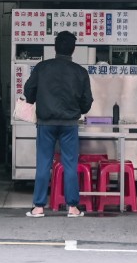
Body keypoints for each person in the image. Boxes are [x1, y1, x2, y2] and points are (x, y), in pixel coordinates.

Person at [23, 30, 93, 218]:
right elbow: (87, 101)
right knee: (70, 164)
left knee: (44, 163)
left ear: (55, 48)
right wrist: (78, 110)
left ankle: (38, 207)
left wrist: (34, 99)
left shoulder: (42, 67)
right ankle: (72, 208)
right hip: (70, 123)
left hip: (46, 123)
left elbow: (28, 90)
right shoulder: (80, 72)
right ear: (73, 49)